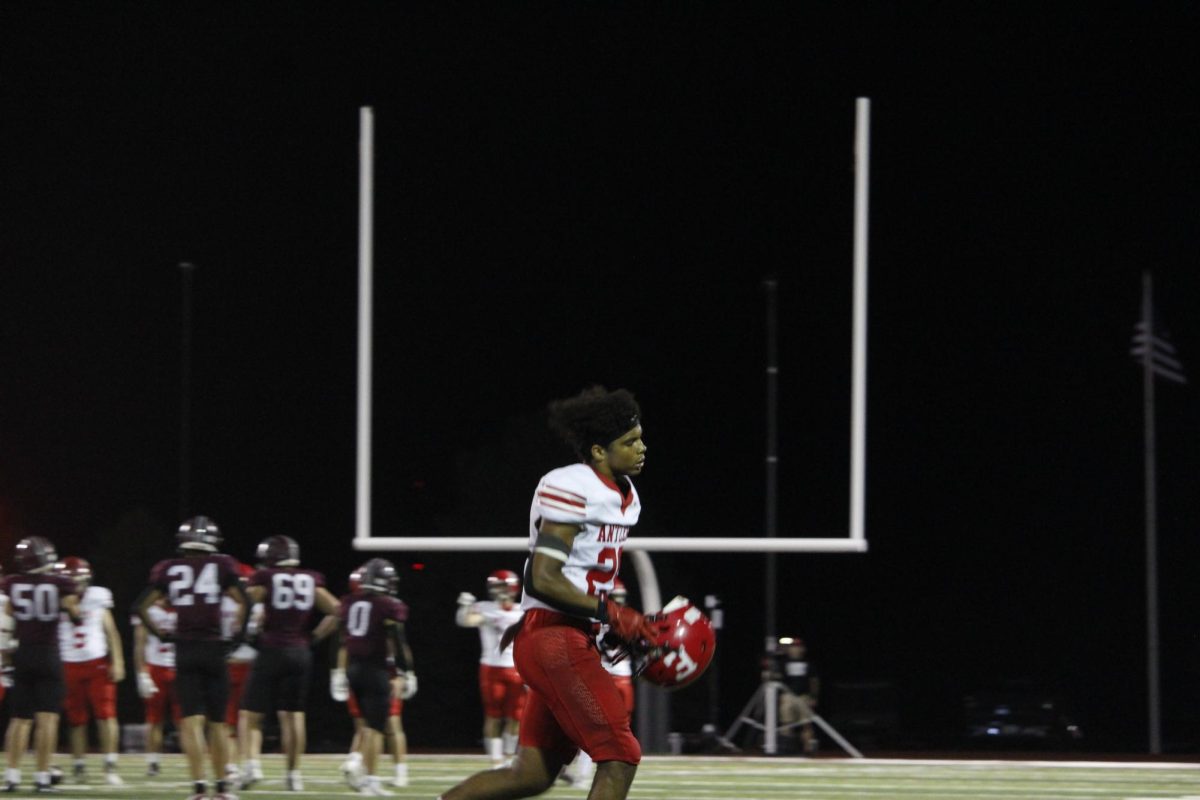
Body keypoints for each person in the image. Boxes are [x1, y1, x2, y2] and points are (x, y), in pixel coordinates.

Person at [437, 385, 662, 800]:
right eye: (629, 441)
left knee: (532, 774)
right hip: (554, 637)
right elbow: (543, 577)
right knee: (621, 753)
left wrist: (603, 623)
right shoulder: (573, 486)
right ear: (598, 451)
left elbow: (581, 573)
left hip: (569, 635)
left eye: (641, 438)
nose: (641, 448)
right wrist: (611, 612)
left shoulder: (627, 500)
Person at [134, 516, 248, 800]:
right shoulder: (222, 565)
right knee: (219, 723)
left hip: (184, 650)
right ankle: (221, 788)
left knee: (191, 723)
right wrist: (237, 638)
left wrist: (162, 635)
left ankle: (199, 788)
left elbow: (141, 606)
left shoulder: (169, 569)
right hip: (213, 648)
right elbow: (244, 601)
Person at [237, 535, 339, 792]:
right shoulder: (309, 579)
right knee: (293, 716)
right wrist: (314, 637)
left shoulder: (265, 579)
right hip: (300, 652)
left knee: (250, 714)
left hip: (271, 649)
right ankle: (293, 775)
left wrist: (246, 632)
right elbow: (339, 611)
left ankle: (251, 766)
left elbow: (245, 603)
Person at [1, 536, 82, 794]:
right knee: (47, 719)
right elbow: (75, 614)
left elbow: (10, 615)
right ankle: (42, 778)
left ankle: (12, 776)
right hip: (48, 654)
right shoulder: (59, 583)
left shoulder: (12, 583)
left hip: (23, 653)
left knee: (19, 720)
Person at [331, 558, 416, 796]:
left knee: (366, 726)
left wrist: (337, 671)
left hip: (354, 669)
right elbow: (398, 641)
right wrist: (405, 671)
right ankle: (370, 780)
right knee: (376, 729)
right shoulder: (388, 605)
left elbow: (341, 640)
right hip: (376, 670)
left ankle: (363, 772)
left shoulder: (349, 602)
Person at [55, 557, 126, 786]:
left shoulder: (98, 596)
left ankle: (110, 767)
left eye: (78, 579)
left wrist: (118, 660)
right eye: (70, 580)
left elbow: (111, 631)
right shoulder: (53, 598)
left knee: (106, 716)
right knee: (76, 720)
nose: (75, 584)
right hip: (67, 663)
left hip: (97, 662)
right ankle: (78, 767)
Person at [562, 577, 635, 786]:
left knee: (616, 731)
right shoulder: (596, 621)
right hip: (603, 676)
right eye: (615, 598)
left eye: (621, 598)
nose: (619, 602)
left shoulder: (626, 618)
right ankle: (580, 772)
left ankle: (581, 771)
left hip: (621, 678)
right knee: (592, 727)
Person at [455, 569, 527, 767]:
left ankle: (509, 756)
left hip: (517, 669)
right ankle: (496, 761)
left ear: (512, 587)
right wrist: (464, 609)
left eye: (501, 586)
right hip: (491, 667)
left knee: (516, 716)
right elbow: (467, 621)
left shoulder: (523, 610)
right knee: (493, 715)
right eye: (495, 586)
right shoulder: (484, 607)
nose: (497, 590)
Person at [131, 597, 181, 777]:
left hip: (181, 667)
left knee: (187, 720)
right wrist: (142, 673)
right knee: (154, 719)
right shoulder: (148, 610)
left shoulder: (184, 607)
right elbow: (139, 644)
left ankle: (192, 758)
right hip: (156, 667)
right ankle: (152, 762)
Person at [223, 564, 262, 788]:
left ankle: (233, 768)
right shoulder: (257, 604)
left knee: (228, 721)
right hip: (253, 664)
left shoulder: (223, 602)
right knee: (248, 720)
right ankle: (249, 765)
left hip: (230, 664)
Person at [777, 637, 819, 755]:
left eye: (798, 647)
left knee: (806, 724)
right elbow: (777, 678)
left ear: (802, 649)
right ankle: (786, 748)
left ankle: (808, 749)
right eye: (793, 647)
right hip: (788, 696)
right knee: (786, 723)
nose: (795, 649)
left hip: (804, 696)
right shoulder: (782, 663)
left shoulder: (808, 663)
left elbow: (814, 681)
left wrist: (814, 696)